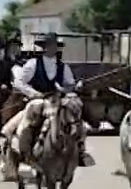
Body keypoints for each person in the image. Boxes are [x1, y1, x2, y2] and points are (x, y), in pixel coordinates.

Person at [6, 35, 94, 167]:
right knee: (30, 116)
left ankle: (80, 149)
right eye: (50, 45)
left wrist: (74, 86)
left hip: (58, 99)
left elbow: (69, 84)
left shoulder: (63, 67)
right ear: (45, 47)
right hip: (38, 100)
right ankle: (24, 148)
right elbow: (20, 82)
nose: (53, 48)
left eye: (55, 46)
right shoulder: (33, 64)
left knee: (76, 111)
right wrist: (34, 93)